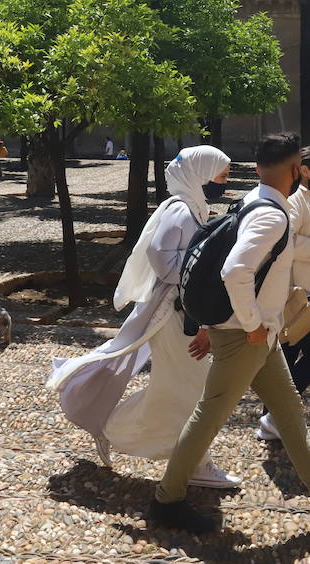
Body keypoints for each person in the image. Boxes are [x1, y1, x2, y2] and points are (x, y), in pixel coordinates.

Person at [147, 133, 310, 534]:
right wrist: (254, 325)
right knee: (207, 419)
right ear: (295, 171)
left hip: (259, 334)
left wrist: (259, 328)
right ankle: (167, 501)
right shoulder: (272, 215)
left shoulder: (255, 198)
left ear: (257, 168)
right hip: (246, 336)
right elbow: (235, 271)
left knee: (289, 411)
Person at [48, 146, 241, 489]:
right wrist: (199, 268)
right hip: (171, 315)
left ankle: (182, 455)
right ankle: (191, 460)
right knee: (191, 388)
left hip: (181, 311)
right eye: (222, 176)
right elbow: (159, 254)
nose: (225, 184)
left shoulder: (192, 205)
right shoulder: (182, 210)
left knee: (183, 389)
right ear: (201, 174)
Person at [258, 144, 310, 441]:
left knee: (287, 358)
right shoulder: (293, 201)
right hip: (293, 294)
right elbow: (285, 241)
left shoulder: (303, 197)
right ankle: (274, 415)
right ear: (305, 169)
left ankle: (272, 420)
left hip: (297, 291)